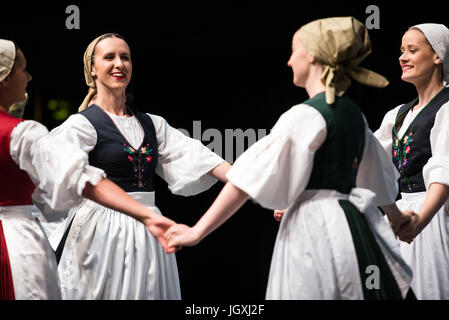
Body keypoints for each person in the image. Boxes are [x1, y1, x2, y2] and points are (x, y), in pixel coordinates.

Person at [164, 17, 414, 300]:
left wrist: (196, 232)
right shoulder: (354, 115)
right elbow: (377, 179)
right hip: (353, 226)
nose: (289, 61)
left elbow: (245, 180)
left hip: (315, 227)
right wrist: (396, 218)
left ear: (311, 54)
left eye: (294, 50)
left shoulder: (305, 115)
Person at [46, 33, 230, 299]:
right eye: (109, 57)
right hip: (101, 231)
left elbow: (203, 159)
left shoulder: (151, 124)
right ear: (92, 69)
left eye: (125, 57)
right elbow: (62, 170)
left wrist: (258, 186)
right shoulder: (82, 124)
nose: (119, 63)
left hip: (148, 232)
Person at [0, 39, 176, 300]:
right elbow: (80, 179)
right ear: (4, 78)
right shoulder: (22, 133)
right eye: (22, 69)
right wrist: (147, 215)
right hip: (15, 243)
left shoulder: (151, 124)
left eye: (125, 57)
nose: (28, 76)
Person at [374, 23, 449, 300]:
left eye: (412, 50)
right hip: (400, 215)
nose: (402, 57)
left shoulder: (447, 108)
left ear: (438, 56)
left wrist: (421, 221)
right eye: (402, 51)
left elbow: (444, 171)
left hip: (434, 215)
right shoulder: (398, 115)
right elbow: (367, 167)